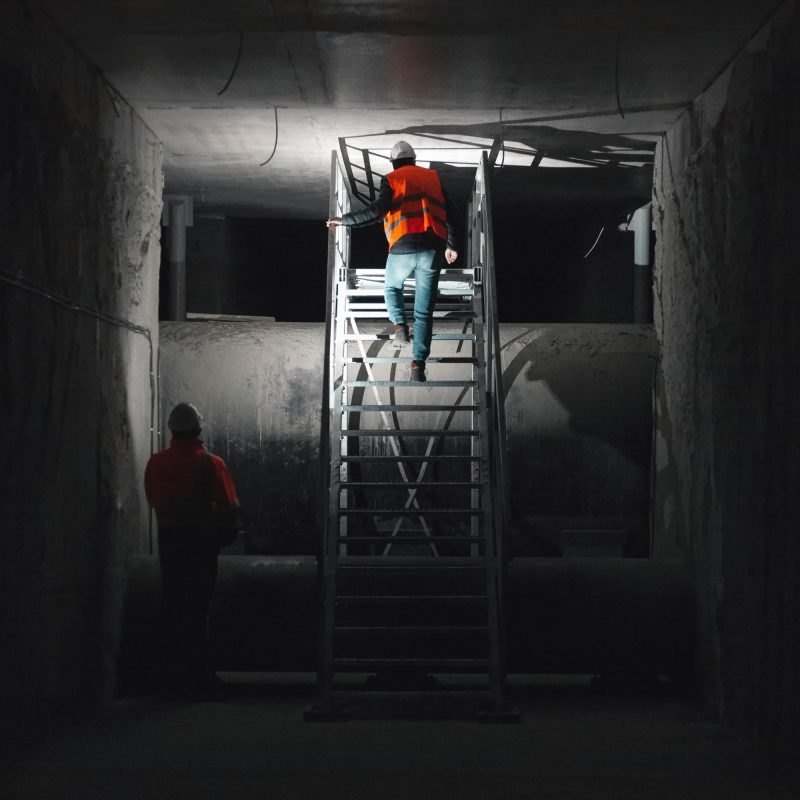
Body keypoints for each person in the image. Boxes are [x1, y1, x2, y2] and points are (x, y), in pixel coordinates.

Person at [326, 140, 459, 382]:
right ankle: (418, 365)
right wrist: (452, 245)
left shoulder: (392, 179)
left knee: (391, 287)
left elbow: (377, 212)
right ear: (414, 160)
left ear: (394, 163)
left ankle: (400, 327)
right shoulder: (433, 178)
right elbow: (451, 213)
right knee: (424, 312)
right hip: (433, 249)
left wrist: (344, 220)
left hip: (403, 247)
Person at [144, 401, 242, 695]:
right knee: (198, 611)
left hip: (169, 541)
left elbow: (154, 499)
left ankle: (170, 678)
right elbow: (230, 507)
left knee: (173, 606)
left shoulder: (156, 463)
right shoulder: (211, 463)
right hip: (201, 543)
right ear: (198, 428)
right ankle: (200, 678)